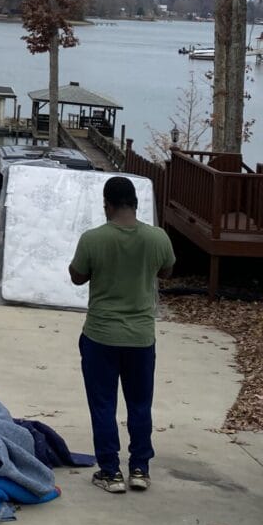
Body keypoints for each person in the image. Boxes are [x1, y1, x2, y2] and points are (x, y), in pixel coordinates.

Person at [68, 175, 176, 494]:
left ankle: (111, 472)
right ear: (135, 204)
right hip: (141, 338)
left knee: (103, 405)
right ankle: (140, 469)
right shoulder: (158, 238)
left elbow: (77, 277)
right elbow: (167, 271)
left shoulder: (93, 239)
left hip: (100, 335)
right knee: (140, 404)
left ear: (107, 205)